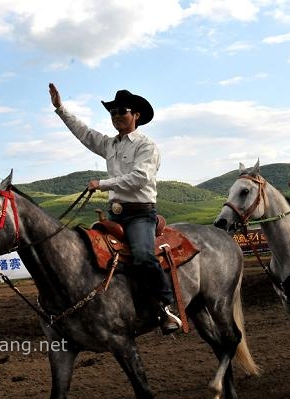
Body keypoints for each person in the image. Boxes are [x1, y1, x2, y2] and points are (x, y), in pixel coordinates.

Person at [48, 83, 182, 334]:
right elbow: (84, 133)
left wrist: (102, 184)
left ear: (136, 115)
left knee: (143, 255)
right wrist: (60, 109)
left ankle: (165, 306)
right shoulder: (110, 145)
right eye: (113, 112)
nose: (117, 116)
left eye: (122, 111)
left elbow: (140, 177)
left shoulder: (146, 146)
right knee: (90, 254)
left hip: (141, 214)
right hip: (116, 214)